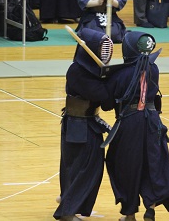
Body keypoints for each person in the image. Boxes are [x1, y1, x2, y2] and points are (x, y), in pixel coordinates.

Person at [102, 31, 169, 221]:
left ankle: (130, 213)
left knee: (124, 166)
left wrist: (104, 82)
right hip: (153, 123)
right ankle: (150, 208)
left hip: (130, 124)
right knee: (152, 165)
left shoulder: (120, 74)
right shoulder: (153, 69)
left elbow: (107, 104)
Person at [53, 28, 114, 221]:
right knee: (85, 168)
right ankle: (67, 211)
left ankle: (67, 199)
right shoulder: (78, 72)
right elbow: (104, 99)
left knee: (76, 166)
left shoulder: (92, 71)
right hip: (79, 126)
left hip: (88, 123)